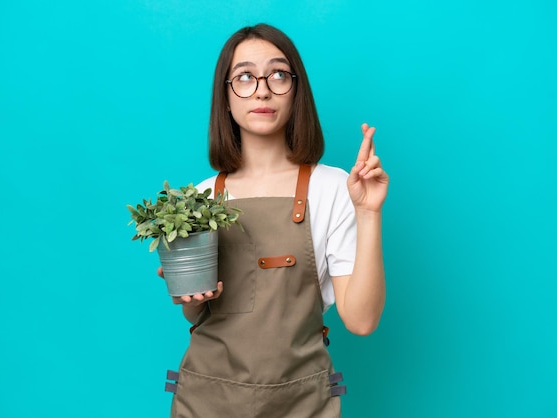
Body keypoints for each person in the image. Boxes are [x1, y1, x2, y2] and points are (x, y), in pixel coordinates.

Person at [159, 23, 388, 417]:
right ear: (225, 96)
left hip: (301, 403)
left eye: (278, 74)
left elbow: (362, 320)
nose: (262, 89)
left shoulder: (333, 187)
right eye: (245, 77)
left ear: (296, 91)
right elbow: (195, 312)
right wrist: (189, 294)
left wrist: (368, 212)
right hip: (205, 400)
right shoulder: (200, 196)